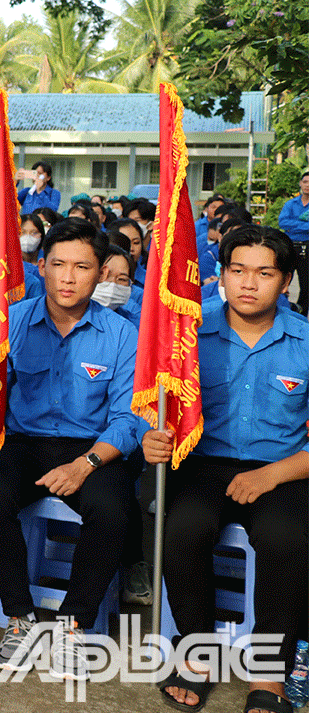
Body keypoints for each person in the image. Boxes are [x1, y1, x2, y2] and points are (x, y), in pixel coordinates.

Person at [0, 218, 142, 678]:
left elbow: (129, 419)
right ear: (41, 266)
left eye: (82, 267)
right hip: (24, 443)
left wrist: (84, 464)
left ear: (100, 272)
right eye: (58, 264)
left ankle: (74, 624)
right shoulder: (8, 322)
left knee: (112, 510)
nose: (68, 277)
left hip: (93, 448)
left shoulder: (121, 335)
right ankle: (19, 617)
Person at [147, 225, 308, 713]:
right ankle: (198, 652)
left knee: (286, 538)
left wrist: (270, 476)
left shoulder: (305, 341)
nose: (248, 283)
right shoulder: (187, 335)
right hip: (202, 463)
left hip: (282, 468)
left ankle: (270, 672)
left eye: (265, 273)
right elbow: (152, 406)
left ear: (286, 282)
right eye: (237, 270)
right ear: (221, 274)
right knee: (182, 529)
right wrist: (150, 437)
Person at [277, 171, 309, 314]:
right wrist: (305, 225)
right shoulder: (291, 204)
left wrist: (293, 224)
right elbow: (283, 222)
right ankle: (281, 310)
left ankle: (301, 314)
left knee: (306, 285)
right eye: (305, 182)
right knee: (282, 281)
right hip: (289, 246)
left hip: (307, 246)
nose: (307, 185)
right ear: (300, 183)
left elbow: (288, 223)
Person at [91, 245, 140, 328]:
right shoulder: (69, 320)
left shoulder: (135, 325)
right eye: (104, 275)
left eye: (122, 279)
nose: (113, 284)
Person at [19, 214, 48, 299]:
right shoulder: (8, 264)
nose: (27, 237)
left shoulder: (48, 262)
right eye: (22, 232)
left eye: (34, 233)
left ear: (41, 235)